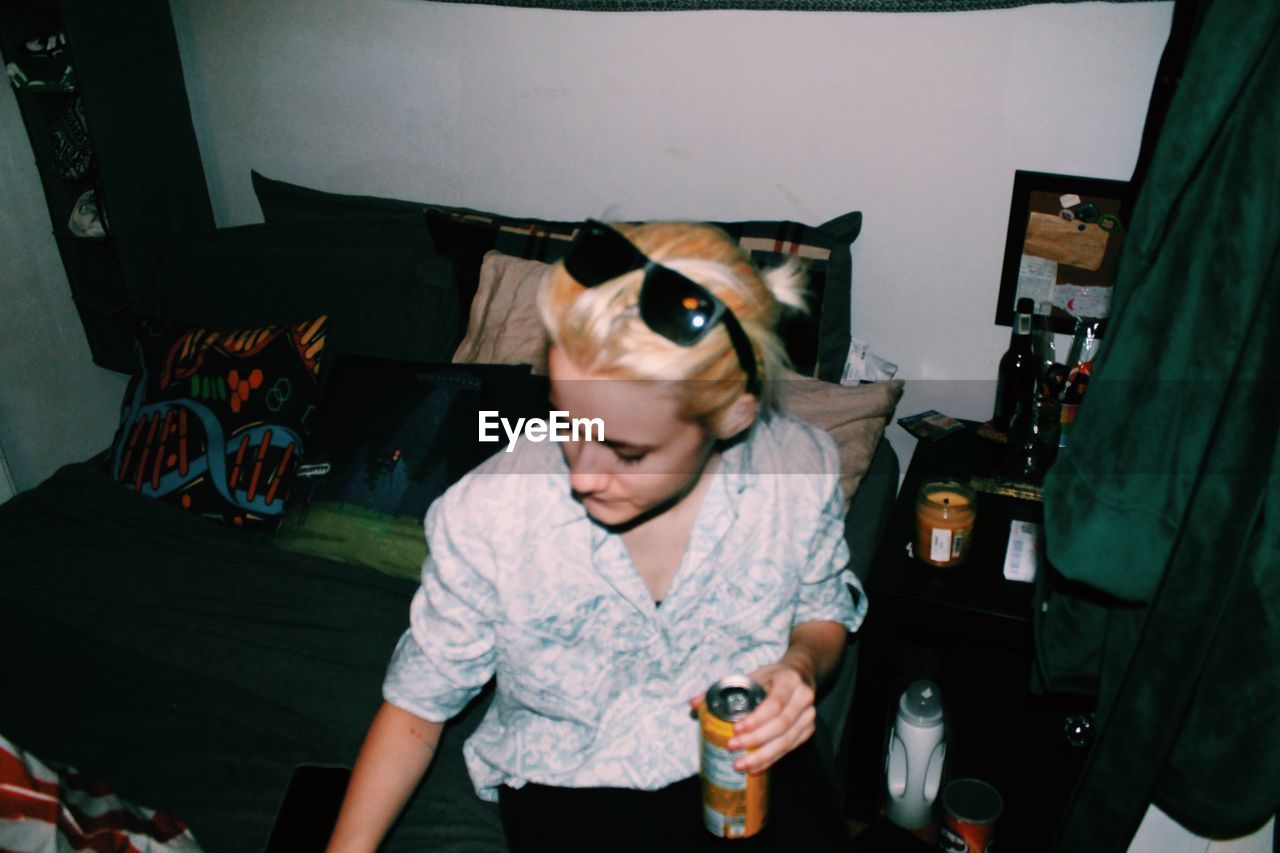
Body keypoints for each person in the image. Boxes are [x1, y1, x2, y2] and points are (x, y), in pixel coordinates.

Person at [327, 221, 866, 851]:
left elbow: (822, 610)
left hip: (748, 758)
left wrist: (799, 667)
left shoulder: (799, 470)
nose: (582, 474)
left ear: (731, 414)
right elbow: (418, 705)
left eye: (627, 452)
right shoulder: (489, 514)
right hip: (573, 776)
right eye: (567, 421)